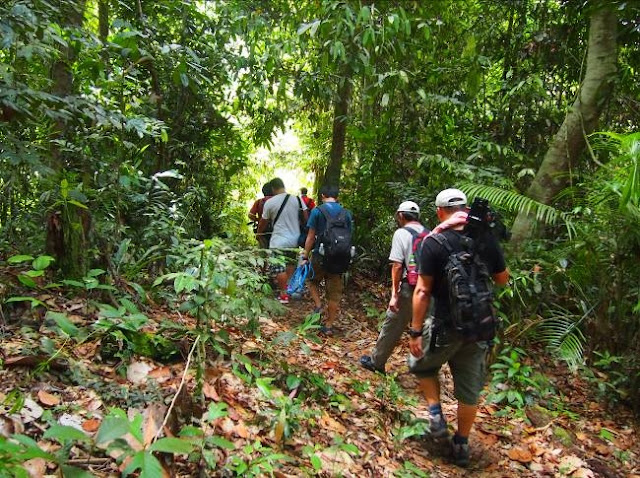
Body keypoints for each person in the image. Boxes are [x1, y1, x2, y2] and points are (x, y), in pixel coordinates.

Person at [408, 188, 509, 467]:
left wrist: (415, 332)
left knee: (421, 364)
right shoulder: (485, 237)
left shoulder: (434, 241)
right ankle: (462, 444)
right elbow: (502, 279)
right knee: (469, 391)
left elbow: (422, 291)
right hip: (480, 326)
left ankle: (435, 413)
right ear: (465, 208)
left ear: (440, 211)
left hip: (444, 325)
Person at [360, 201, 428, 374]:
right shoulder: (429, 233)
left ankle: (377, 362)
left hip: (409, 287)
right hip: (428, 288)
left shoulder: (401, 233)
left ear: (400, 215)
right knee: (425, 328)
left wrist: (394, 294)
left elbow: (397, 266)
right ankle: (425, 370)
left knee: (393, 324)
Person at [300, 185, 352, 335]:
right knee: (334, 292)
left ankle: (319, 305)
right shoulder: (346, 213)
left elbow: (311, 236)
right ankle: (329, 325)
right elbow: (349, 236)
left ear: (322, 195)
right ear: (337, 197)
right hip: (340, 256)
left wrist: (305, 255)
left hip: (320, 255)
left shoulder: (317, 211)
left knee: (311, 281)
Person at [258, 178, 308, 304]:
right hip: (294, 239)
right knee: (290, 264)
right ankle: (289, 290)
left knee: (280, 269)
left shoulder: (270, 203)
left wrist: (259, 234)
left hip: (278, 241)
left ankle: (283, 294)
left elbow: (263, 223)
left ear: (273, 188)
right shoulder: (297, 199)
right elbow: (306, 217)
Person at [249, 182, 274, 248]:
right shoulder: (278, 201)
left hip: (262, 230)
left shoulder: (259, 202)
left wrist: (259, 220)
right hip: (276, 231)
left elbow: (250, 215)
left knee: (264, 252)